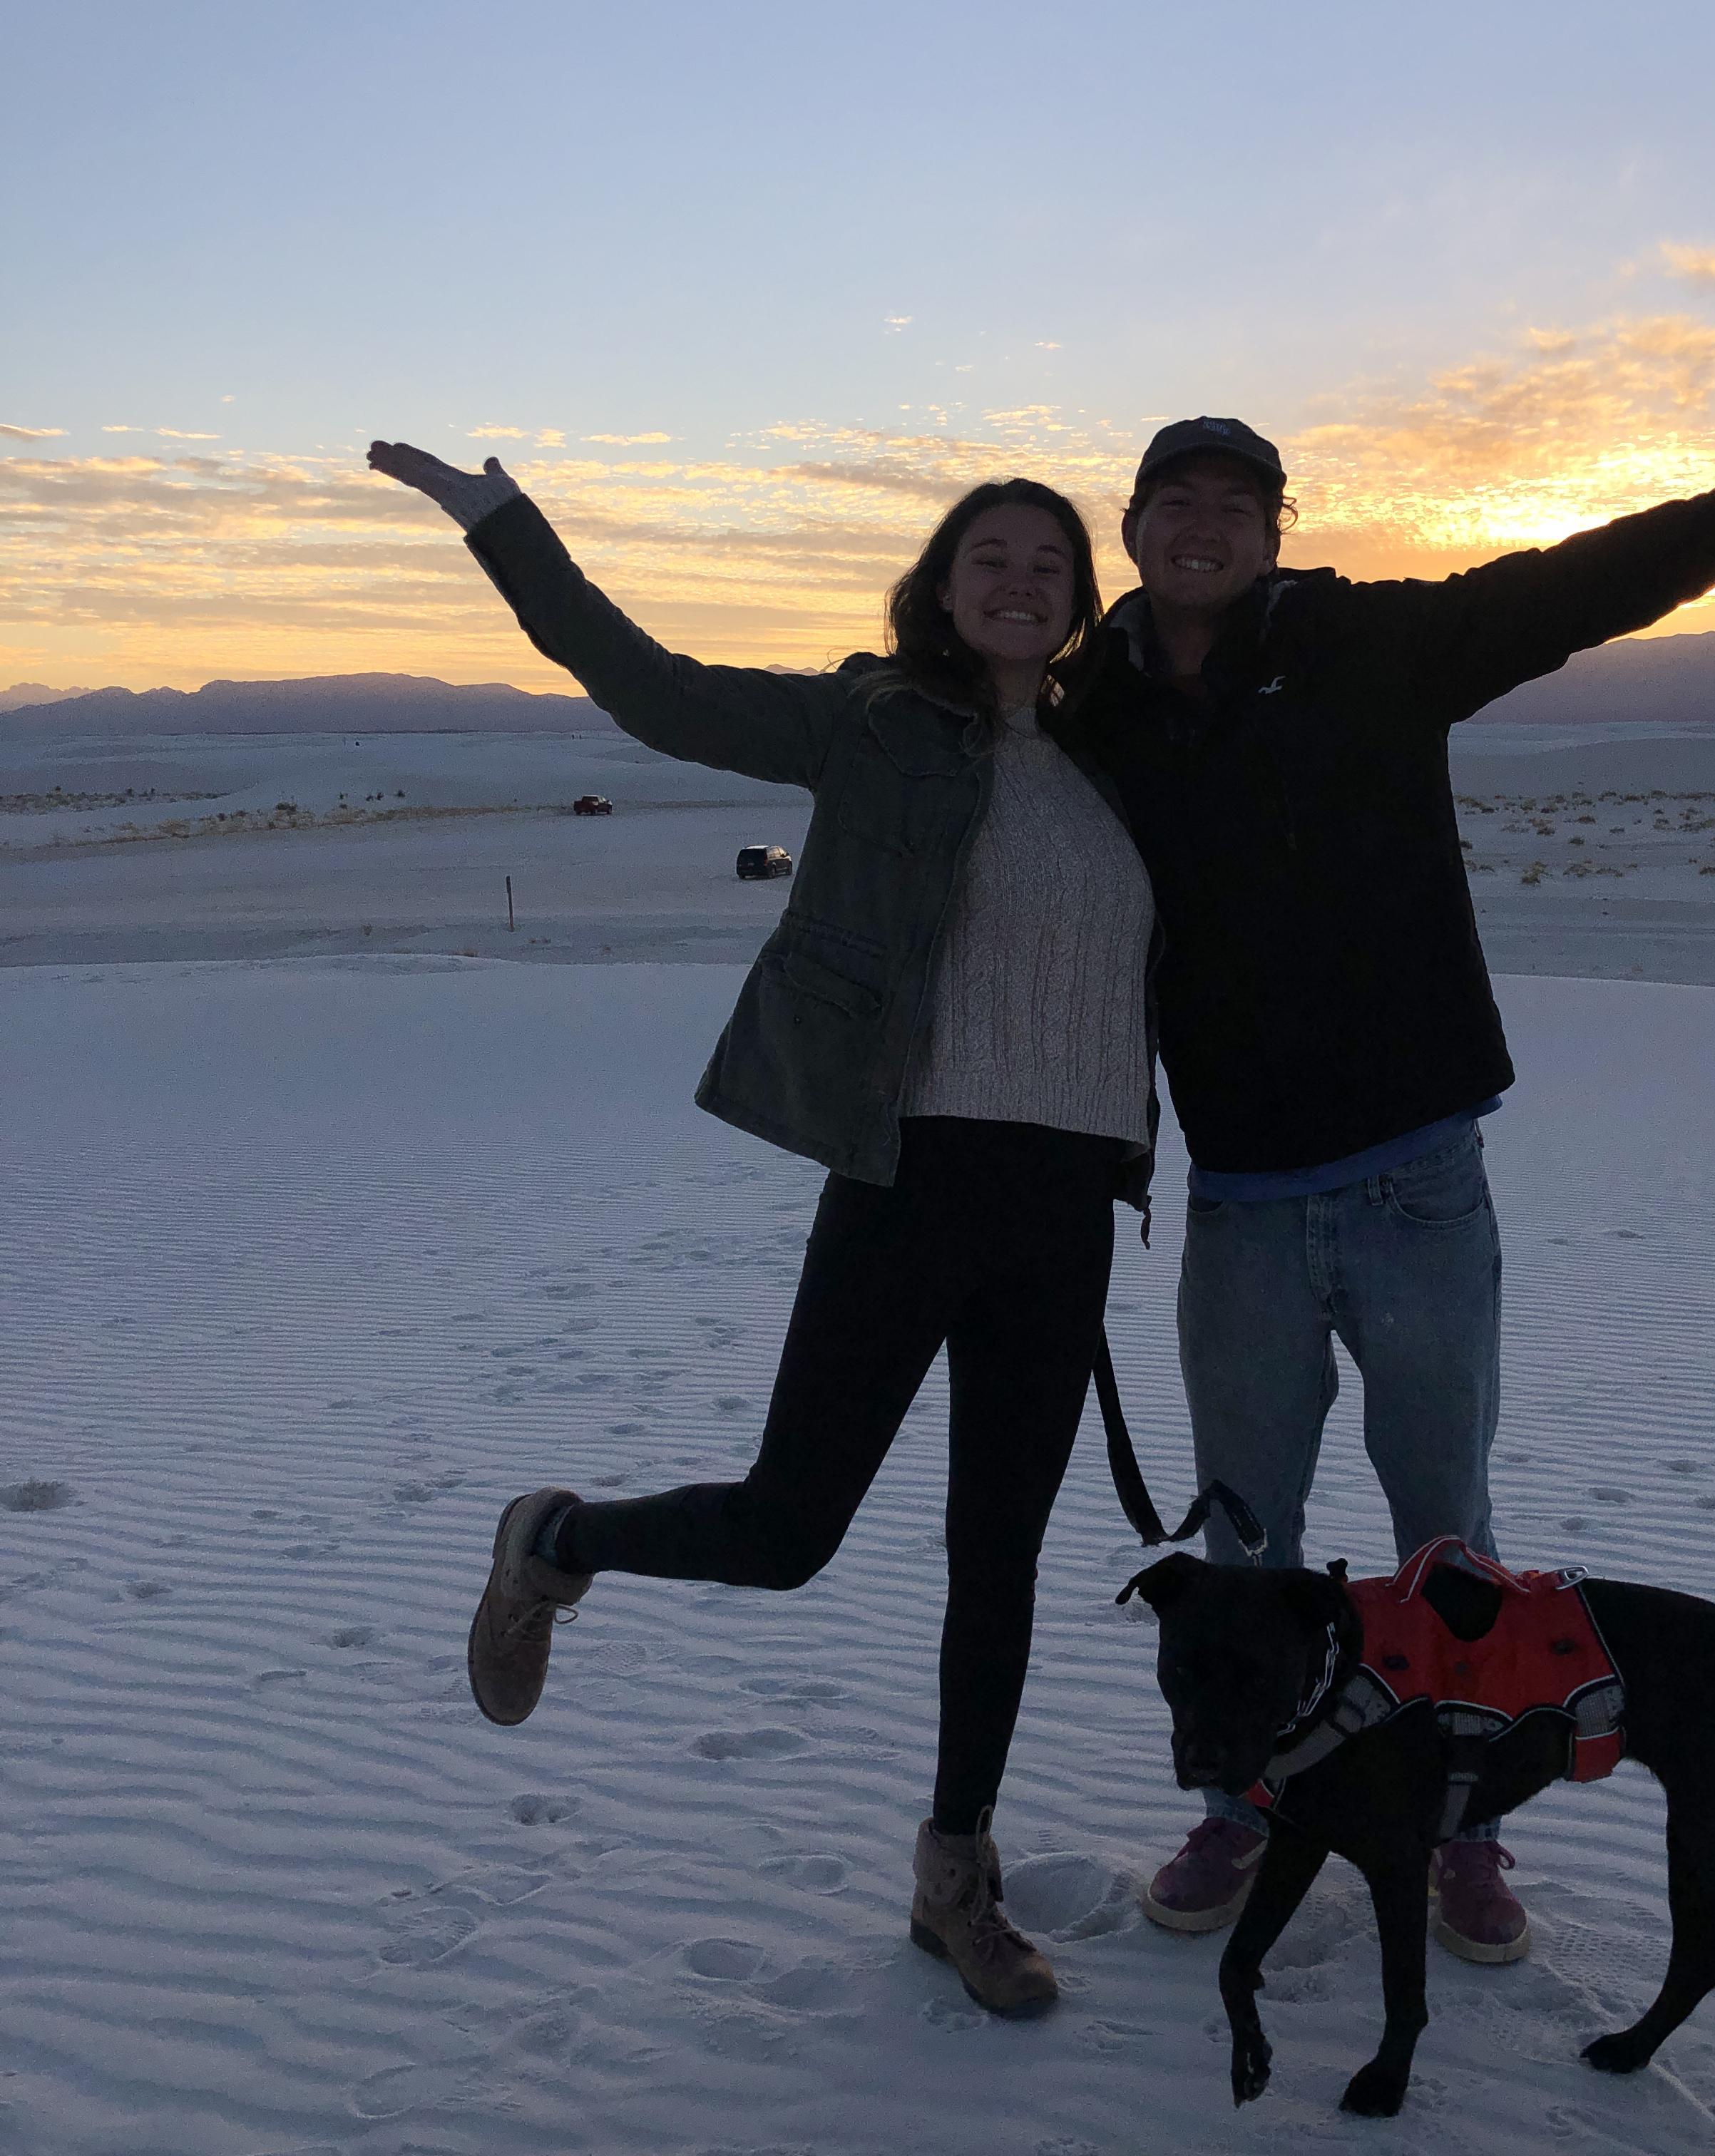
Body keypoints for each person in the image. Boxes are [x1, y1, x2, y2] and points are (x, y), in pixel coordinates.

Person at [1065, 368, 1715, 1955]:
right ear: (1135, 533)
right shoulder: (1089, 713)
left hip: (1417, 1180)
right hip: (1238, 1206)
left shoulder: (1375, 648)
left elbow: (1597, 579)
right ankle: (1244, 1808)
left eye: (1236, 504)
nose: (1203, 525)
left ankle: (1461, 1825)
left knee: (1451, 1548)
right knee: (1242, 1547)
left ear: (1277, 535)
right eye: (1176, 503)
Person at [367, 441, 1160, 2018]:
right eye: (987, 557)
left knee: (997, 1559)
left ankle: (956, 1877)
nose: (1017, 581)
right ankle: (556, 1542)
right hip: (907, 1180)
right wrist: (503, 527)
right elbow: (650, 690)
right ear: (942, 585)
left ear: (1080, 605)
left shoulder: (1119, 759)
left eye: (1047, 566)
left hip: (1066, 1210)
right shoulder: (870, 722)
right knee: (791, 1531)